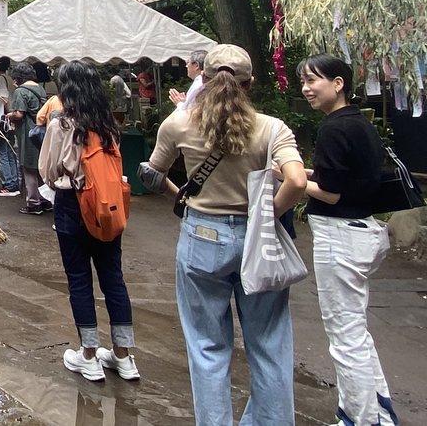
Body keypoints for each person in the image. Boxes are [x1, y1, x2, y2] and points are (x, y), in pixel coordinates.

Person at [140, 44, 307, 425]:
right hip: (257, 239)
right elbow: (297, 181)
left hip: (201, 237)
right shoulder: (272, 128)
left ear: (203, 79)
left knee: (207, 348)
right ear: (250, 83)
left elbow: (151, 174)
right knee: (269, 345)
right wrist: (269, 213)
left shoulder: (178, 124)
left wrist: (179, 196)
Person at [298, 54, 398, 426]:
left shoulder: (333, 129)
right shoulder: (358, 123)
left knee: (345, 335)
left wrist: (293, 181)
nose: (306, 88)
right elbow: (342, 178)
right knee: (354, 329)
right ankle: (379, 412)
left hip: (340, 237)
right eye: (303, 81)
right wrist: (301, 173)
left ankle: (360, 418)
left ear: (338, 83)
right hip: (362, 230)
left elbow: (331, 192)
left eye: (313, 80)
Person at [40, 60, 138, 383]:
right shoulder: (108, 124)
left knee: (79, 279)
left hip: (73, 204)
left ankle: (89, 356)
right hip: (108, 206)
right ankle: (123, 356)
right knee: (113, 277)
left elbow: (48, 170)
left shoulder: (61, 125)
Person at [8, 64, 49, 213]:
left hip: (28, 132)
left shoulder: (20, 91)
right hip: (42, 131)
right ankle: (46, 200)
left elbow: (19, 114)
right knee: (40, 167)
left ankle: (33, 203)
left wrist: (9, 115)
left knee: (28, 167)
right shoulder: (40, 88)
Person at [0, 58, 20, 197]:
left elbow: (4, 98)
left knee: (3, 153)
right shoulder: (9, 78)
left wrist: (9, 115)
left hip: (2, 120)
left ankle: (8, 184)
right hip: (9, 120)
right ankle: (14, 182)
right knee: (9, 153)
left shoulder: (1, 79)